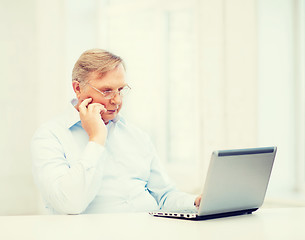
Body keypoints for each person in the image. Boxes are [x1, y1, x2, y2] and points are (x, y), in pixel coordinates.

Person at [31, 48, 201, 214]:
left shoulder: (136, 135)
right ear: (78, 88)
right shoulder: (49, 137)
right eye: (106, 91)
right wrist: (96, 138)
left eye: (120, 90)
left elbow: (164, 197)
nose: (117, 100)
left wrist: (197, 202)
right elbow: (69, 204)